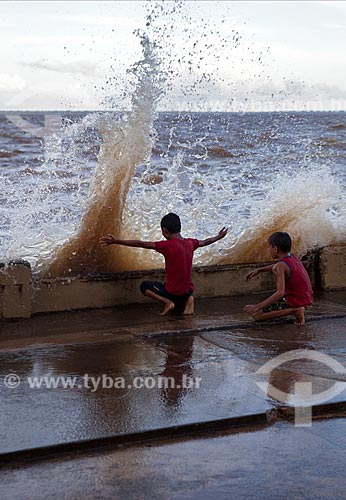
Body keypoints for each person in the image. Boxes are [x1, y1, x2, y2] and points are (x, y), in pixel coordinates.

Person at [100, 213, 228, 315]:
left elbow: (141, 244)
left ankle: (168, 302)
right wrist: (219, 236)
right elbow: (205, 241)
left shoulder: (166, 245)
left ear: (165, 231)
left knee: (144, 286)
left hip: (173, 293)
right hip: (187, 292)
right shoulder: (191, 243)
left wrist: (116, 241)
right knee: (175, 288)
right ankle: (188, 300)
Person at [243, 231, 313, 326]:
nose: (269, 250)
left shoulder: (281, 265)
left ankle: (296, 310)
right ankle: (296, 308)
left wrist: (258, 306)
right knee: (268, 305)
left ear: (275, 249)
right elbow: (278, 266)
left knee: (257, 315)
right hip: (305, 298)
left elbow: (280, 293)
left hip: (296, 301)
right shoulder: (292, 257)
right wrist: (259, 270)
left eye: (269, 247)